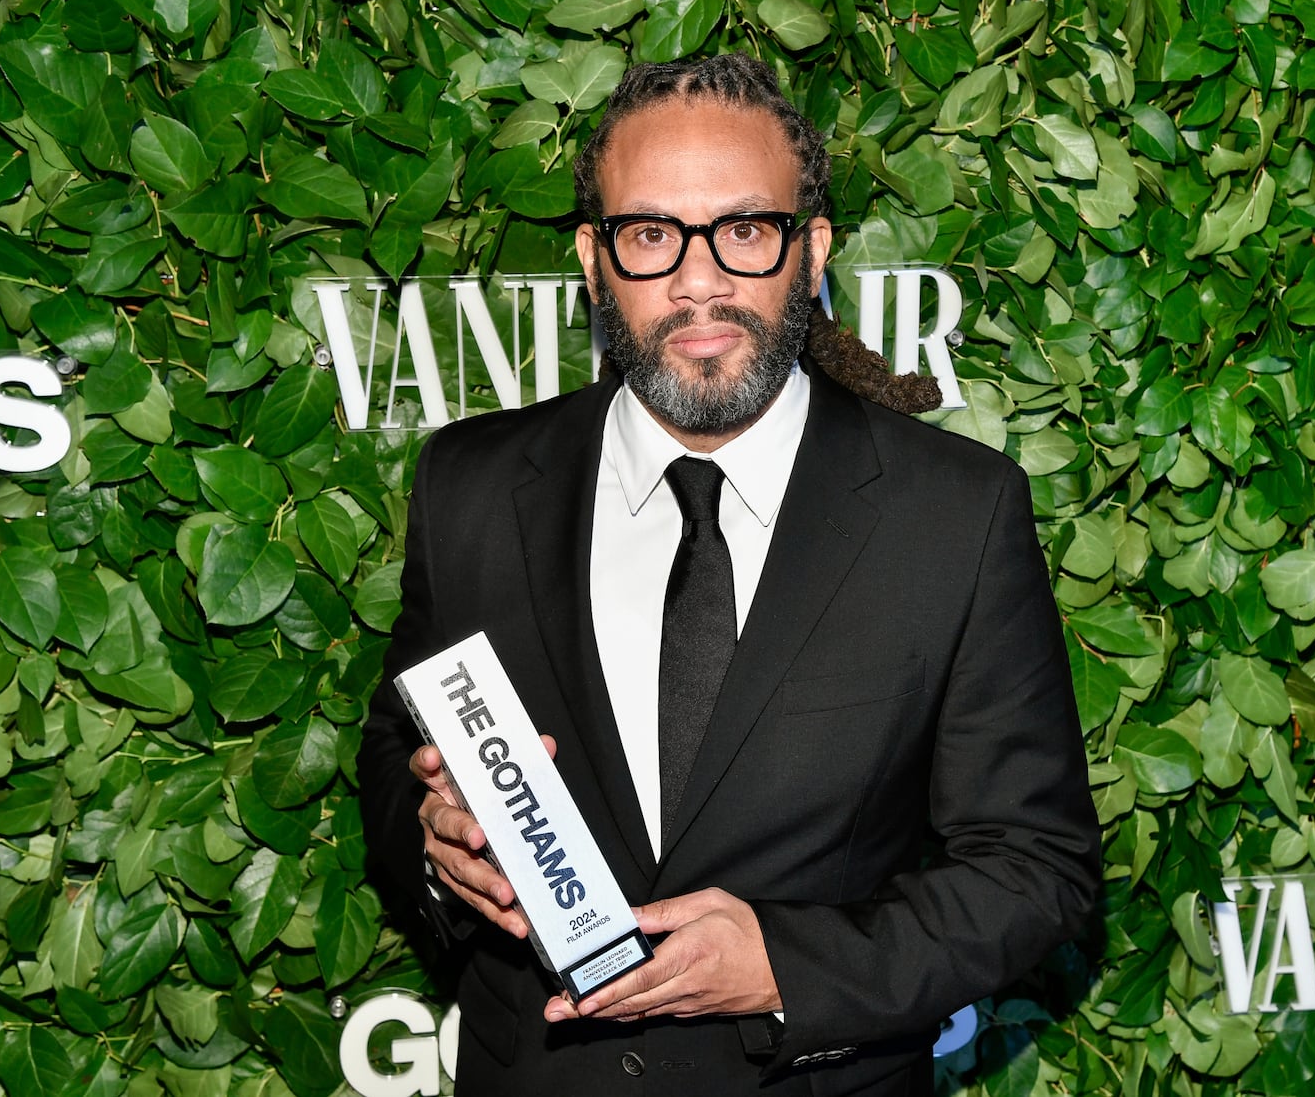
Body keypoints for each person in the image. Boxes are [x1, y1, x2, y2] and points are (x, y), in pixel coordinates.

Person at [357, 53, 1099, 1096]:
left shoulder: (954, 513)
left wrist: (785, 968)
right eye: (651, 234)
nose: (698, 280)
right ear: (592, 256)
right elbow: (397, 747)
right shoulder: (470, 485)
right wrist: (438, 842)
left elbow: (1034, 868)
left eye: (745, 230)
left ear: (811, 251)